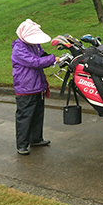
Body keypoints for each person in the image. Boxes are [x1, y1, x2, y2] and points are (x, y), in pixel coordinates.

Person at [11, 19, 61, 155]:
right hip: (26, 88)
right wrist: (52, 59)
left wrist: (54, 58)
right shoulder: (19, 48)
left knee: (38, 114)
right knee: (25, 116)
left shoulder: (33, 45)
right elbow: (35, 62)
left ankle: (36, 139)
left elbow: (41, 55)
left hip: (37, 85)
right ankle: (22, 145)